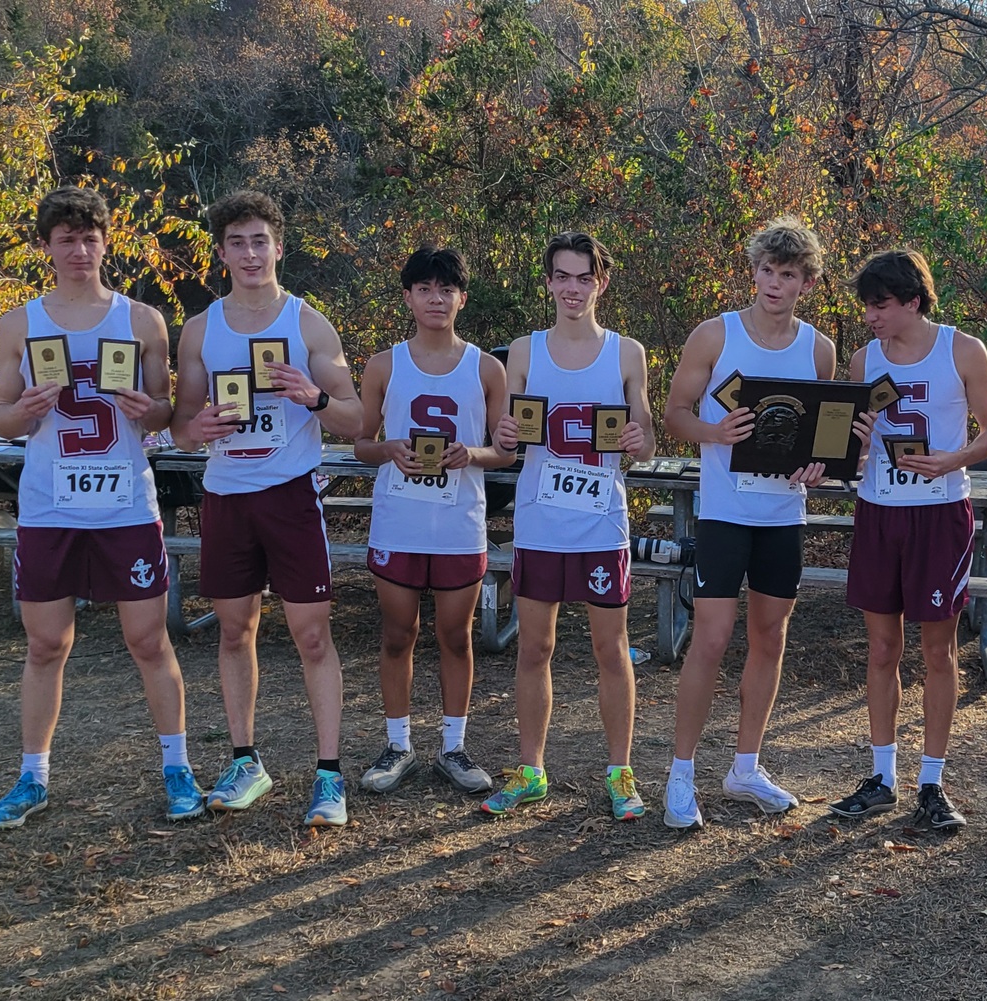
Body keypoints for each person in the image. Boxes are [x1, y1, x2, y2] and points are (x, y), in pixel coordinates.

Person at [0, 186, 200, 828]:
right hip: (51, 506)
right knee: (46, 644)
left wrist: (150, 410)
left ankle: (178, 766)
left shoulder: (140, 320)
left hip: (126, 504)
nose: (79, 250)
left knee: (148, 639)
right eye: (66, 240)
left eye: (89, 238)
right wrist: (18, 414)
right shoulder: (21, 322)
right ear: (47, 247)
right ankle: (32, 777)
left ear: (106, 243)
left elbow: (166, 410)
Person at [171, 190, 363, 826]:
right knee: (234, 630)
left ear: (279, 247)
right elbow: (180, 426)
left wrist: (312, 398)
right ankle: (245, 760)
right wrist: (198, 428)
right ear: (221, 252)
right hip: (226, 496)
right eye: (236, 242)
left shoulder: (307, 323)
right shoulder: (201, 329)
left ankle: (329, 776)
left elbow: (356, 417)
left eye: (260, 241)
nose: (249, 253)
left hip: (289, 496)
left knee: (311, 634)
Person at [661, 216, 836, 829]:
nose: (774, 283)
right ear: (754, 271)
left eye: (788, 274)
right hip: (725, 512)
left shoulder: (817, 348)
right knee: (709, 639)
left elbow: (825, 433)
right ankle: (680, 774)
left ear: (805, 283)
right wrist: (714, 431)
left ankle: (745, 765)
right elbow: (675, 413)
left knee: (771, 638)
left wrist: (819, 463)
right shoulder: (715, 335)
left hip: (783, 514)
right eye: (767, 270)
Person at [827, 248, 987, 830]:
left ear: (912, 300)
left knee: (937, 652)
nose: (871, 316)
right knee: (881, 649)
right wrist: (851, 442)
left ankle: (932, 782)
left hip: (939, 515)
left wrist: (952, 459)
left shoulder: (962, 349)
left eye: (880, 306)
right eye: (867, 307)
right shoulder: (862, 360)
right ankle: (882, 776)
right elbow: (848, 451)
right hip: (879, 513)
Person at [480, 232, 656, 820]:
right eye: (563, 276)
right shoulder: (524, 352)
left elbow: (648, 440)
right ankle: (531, 769)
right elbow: (506, 442)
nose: (573, 288)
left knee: (612, 649)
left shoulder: (627, 352)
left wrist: (637, 442)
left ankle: (620, 771)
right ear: (549, 282)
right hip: (539, 524)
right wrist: (503, 438)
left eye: (585, 278)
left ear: (600, 283)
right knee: (535, 647)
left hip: (602, 524)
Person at [354, 245, 510, 795]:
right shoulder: (383, 363)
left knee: (455, 634)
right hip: (399, 519)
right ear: (409, 296)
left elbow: (506, 451)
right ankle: (397, 745)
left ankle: (454, 747)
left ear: (462, 298)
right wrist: (388, 447)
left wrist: (474, 454)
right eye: (425, 288)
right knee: (398, 633)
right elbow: (360, 444)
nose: (436, 298)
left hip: (459, 522)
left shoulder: (487, 367)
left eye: (446, 289)